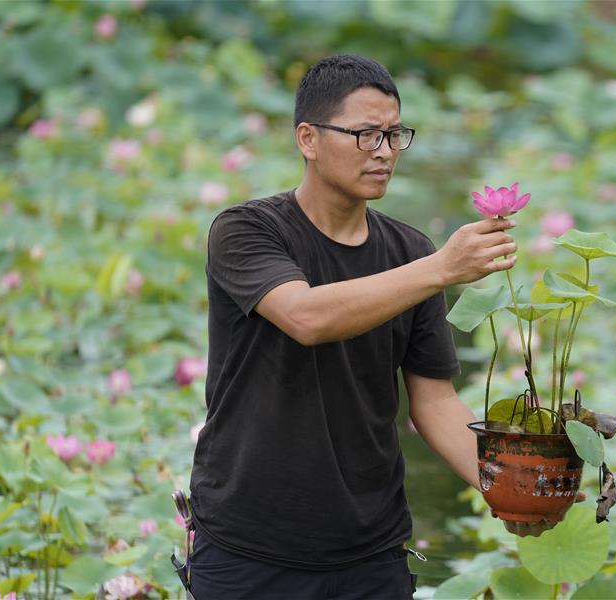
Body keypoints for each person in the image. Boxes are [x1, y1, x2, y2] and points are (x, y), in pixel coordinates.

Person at [186, 54, 559, 599]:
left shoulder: (409, 250)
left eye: (393, 135)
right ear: (308, 138)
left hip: (370, 551)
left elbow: (433, 403)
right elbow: (305, 316)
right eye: (364, 135)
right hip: (248, 547)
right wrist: (440, 271)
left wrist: (503, 486)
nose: (384, 153)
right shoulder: (245, 231)